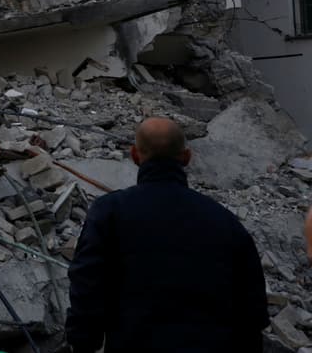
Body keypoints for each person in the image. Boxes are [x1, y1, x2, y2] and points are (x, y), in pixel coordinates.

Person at [66, 117, 269, 353]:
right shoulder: (225, 221)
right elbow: (252, 310)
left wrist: (83, 342)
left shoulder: (110, 212)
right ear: (186, 157)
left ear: (134, 155)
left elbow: (87, 284)